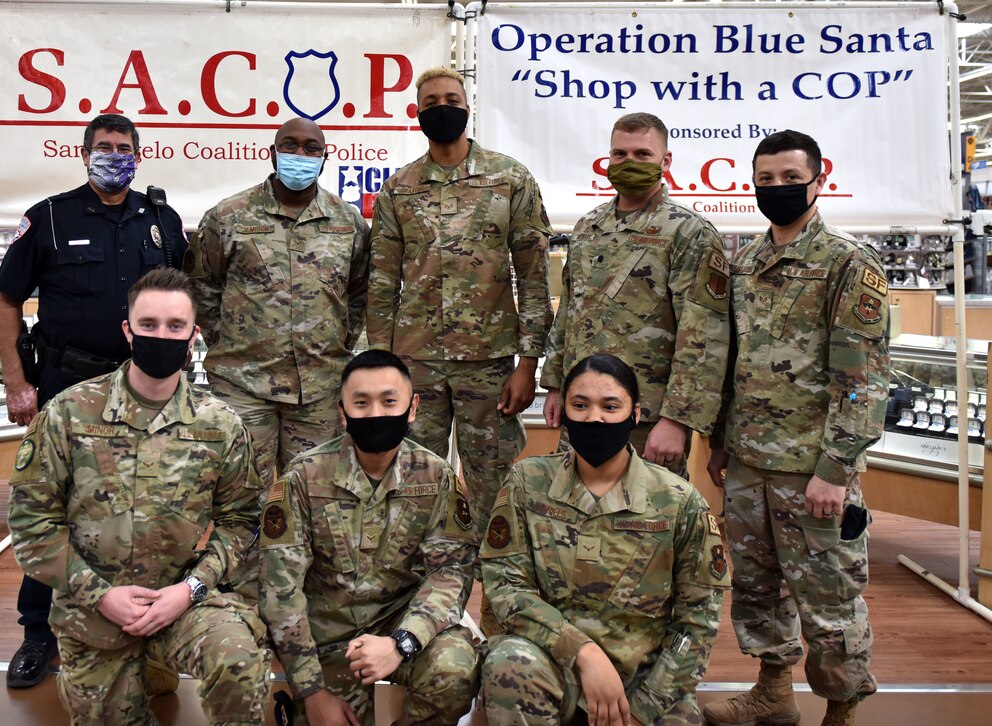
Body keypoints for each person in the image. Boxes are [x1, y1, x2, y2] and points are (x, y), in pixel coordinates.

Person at [7, 268, 265, 725]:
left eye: (175, 327)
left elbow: (241, 522)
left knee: (240, 664)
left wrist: (191, 588)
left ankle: (159, 663)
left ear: (193, 336)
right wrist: (99, 594)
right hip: (95, 607)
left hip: (184, 600)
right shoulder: (68, 413)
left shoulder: (220, 425)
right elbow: (32, 524)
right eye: (148, 325)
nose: (161, 336)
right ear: (128, 331)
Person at [0, 113, 188, 688]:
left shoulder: (162, 221)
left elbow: (180, 305)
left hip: (144, 389)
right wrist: (14, 382)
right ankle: (37, 633)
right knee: (54, 503)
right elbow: (5, 302)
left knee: (145, 506)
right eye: (104, 147)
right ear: (84, 154)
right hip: (66, 388)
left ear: (138, 156)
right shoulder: (50, 218)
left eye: (124, 148)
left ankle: (143, 623)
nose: (114, 155)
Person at [703, 130, 887, 726]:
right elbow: (735, 362)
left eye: (789, 178)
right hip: (750, 462)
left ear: (819, 178)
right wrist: (721, 443)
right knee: (758, 589)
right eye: (766, 179)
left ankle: (842, 709)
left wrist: (835, 470)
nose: (776, 189)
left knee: (828, 598)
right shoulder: (748, 262)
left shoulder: (847, 264)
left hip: (812, 468)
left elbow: (861, 379)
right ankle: (773, 694)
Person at [481, 354, 729, 725]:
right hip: (551, 669)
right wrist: (582, 651)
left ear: (635, 414)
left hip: (643, 684)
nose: (594, 418)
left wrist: (641, 711)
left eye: (610, 406)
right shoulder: (527, 482)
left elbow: (697, 622)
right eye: (580, 405)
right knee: (506, 663)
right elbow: (505, 587)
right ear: (562, 412)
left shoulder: (680, 502)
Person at [367, 66, 552, 539]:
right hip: (415, 363)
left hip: (489, 365)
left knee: (496, 491)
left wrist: (528, 364)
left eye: (451, 99)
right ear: (416, 113)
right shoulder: (399, 188)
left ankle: (498, 596)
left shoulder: (509, 179)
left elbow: (533, 275)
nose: (442, 108)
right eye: (430, 103)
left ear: (467, 107)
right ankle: (418, 597)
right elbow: (382, 282)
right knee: (411, 486)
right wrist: (383, 365)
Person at [260, 349, 480, 726]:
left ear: (412, 408)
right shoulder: (303, 477)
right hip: (327, 639)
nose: (376, 413)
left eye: (389, 401)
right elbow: (281, 589)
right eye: (361, 403)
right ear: (342, 413)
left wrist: (403, 641)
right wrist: (311, 691)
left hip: (401, 623)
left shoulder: (436, 477)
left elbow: (451, 573)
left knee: (455, 669)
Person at [185, 117, 371, 488]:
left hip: (319, 389)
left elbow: (359, 292)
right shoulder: (229, 216)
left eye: (310, 148)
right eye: (289, 145)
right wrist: (228, 341)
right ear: (272, 154)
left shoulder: (348, 222)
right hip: (244, 385)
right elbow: (201, 284)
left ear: (324, 157)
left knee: (316, 491)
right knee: (241, 493)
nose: (299, 154)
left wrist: (338, 344)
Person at [541, 113, 729, 476]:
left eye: (642, 154)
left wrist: (678, 420)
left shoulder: (689, 233)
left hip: (647, 418)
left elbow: (704, 337)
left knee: (647, 522)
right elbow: (570, 313)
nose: (629, 163)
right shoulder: (590, 225)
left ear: (666, 160)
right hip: (581, 408)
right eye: (620, 155)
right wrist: (554, 386)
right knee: (574, 514)